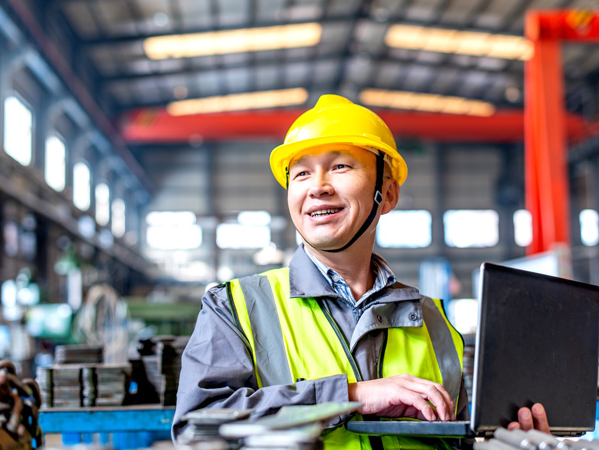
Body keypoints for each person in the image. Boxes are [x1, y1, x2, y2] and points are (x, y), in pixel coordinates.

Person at [173, 94, 550, 448]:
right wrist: (350, 396)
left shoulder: (434, 322)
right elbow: (196, 429)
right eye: (301, 174)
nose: (318, 187)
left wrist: (508, 441)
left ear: (385, 195)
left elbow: (456, 439)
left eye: (340, 166)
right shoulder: (236, 306)